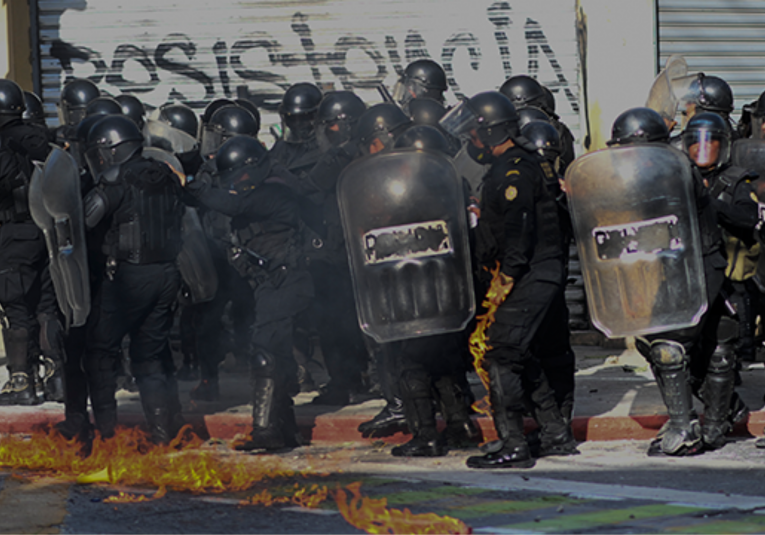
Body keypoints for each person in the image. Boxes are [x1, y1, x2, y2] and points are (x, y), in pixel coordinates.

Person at [440, 91, 578, 469]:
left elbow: (519, 232)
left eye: (474, 134)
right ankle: (554, 434)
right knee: (520, 350)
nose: (471, 142)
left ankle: (513, 444)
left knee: (499, 353)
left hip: (529, 273)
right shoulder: (516, 163)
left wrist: (506, 277)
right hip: (535, 272)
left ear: (490, 132)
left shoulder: (512, 170)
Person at [186, 135, 313, 451]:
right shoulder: (259, 187)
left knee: (264, 352)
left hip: (287, 281)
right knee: (276, 355)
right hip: (271, 282)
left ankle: (266, 431)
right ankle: (286, 431)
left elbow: (232, 204)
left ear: (253, 168)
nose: (237, 183)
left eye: (240, 176)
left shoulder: (275, 189)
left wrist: (195, 187)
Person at [80, 114, 186, 443]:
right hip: (167, 275)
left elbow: (86, 219)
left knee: (99, 352)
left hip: (128, 279)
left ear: (112, 149)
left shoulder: (115, 178)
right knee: (150, 356)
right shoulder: (166, 175)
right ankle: (163, 434)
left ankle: (107, 434)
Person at [681, 111, 756, 448]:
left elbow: (748, 220)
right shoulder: (677, 175)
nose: (702, 149)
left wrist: (710, 205)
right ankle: (730, 406)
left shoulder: (736, 180)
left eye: (710, 142)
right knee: (674, 354)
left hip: (726, 278)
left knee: (720, 352)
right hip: (682, 278)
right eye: (695, 142)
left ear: (723, 146)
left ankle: (714, 425)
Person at [0, 78, 64, 406]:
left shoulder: (3, 143)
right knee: (45, 306)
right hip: (45, 232)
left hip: (13, 234)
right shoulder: (41, 140)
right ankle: (57, 380)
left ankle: (21, 381)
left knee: (14, 308)